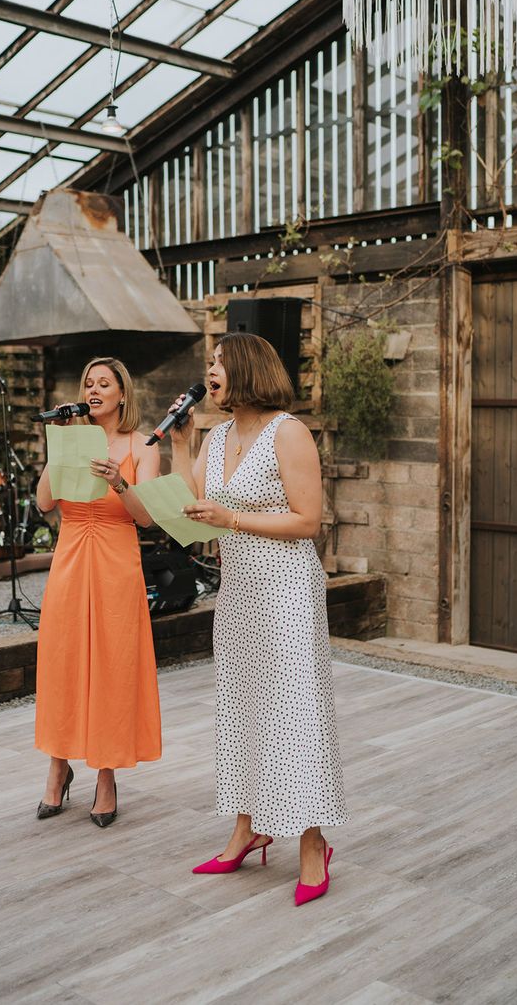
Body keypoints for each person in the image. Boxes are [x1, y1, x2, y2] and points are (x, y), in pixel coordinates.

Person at [170, 332, 348, 905]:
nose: (210, 370)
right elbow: (195, 512)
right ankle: (248, 828)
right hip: (240, 591)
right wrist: (180, 443)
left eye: (219, 362)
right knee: (241, 706)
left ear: (246, 368)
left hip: (288, 588)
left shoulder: (288, 431)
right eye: (210, 363)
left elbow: (308, 522)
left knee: (296, 712)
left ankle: (313, 841)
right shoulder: (217, 436)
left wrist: (234, 519)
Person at [34, 356, 161, 827]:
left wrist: (119, 481)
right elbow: (45, 501)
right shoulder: (72, 436)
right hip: (71, 557)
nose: (93, 389)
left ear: (121, 394)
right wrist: (60, 443)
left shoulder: (143, 445)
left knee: (113, 665)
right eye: (88, 382)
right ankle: (58, 766)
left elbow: (146, 516)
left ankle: (106, 775)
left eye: (103, 383)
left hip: (116, 560)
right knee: (62, 660)